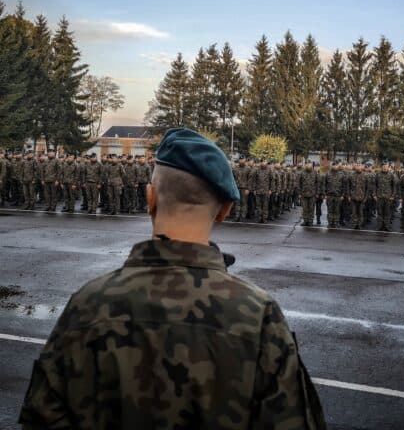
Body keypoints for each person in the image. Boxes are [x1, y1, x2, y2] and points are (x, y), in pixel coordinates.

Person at [19, 128, 326, 429]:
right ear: (225, 210)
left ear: (149, 197)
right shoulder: (260, 316)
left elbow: (43, 415)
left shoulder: (87, 305)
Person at [298, 161, 320, 226]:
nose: (308, 166)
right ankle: (305, 221)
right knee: (304, 208)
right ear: (305, 165)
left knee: (311, 208)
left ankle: (310, 221)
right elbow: (299, 183)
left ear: (312, 165)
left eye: (310, 164)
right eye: (307, 164)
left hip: (312, 194)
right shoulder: (302, 173)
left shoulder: (315, 173)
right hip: (304, 194)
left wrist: (317, 193)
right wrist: (299, 193)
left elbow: (318, 183)